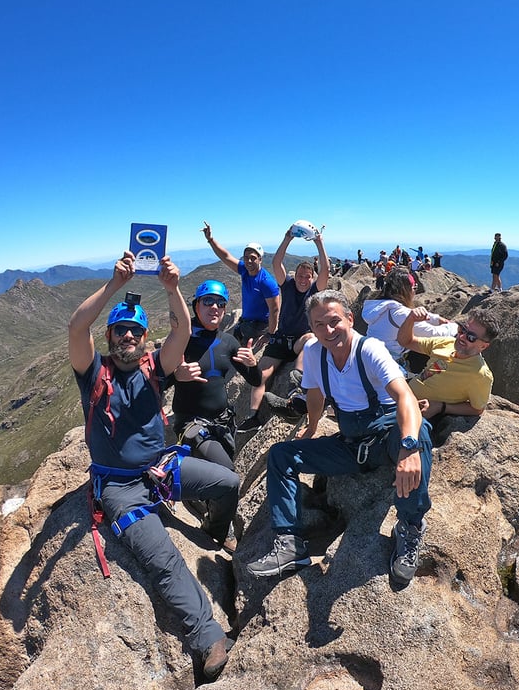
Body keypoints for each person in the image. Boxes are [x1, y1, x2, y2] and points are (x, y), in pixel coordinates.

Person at [69, 251, 237, 682]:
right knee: (161, 558)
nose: (128, 336)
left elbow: (182, 329)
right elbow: (76, 327)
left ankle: (215, 532)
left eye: (135, 331)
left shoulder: (155, 368)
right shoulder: (93, 372)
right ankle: (207, 638)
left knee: (227, 482)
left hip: (160, 469)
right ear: (110, 337)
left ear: (145, 337)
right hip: (121, 489)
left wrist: (172, 287)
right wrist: (112, 285)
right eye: (121, 331)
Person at [246, 290, 433, 585]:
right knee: (281, 455)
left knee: (417, 432)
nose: (328, 330)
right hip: (350, 445)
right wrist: (311, 426)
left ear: (350, 318)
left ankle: (409, 526)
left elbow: (405, 398)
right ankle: (289, 543)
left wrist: (408, 448)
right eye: (319, 324)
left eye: (334, 321)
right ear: (311, 328)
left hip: (385, 436)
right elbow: (317, 393)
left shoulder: (369, 350)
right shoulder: (314, 353)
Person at [170, 279, 262, 549]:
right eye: (207, 301)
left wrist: (253, 365)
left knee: (217, 472)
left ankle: (202, 501)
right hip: (192, 425)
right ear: (195, 306)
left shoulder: (228, 342)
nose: (215, 307)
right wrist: (176, 375)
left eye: (220, 303)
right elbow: (158, 381)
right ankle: (217, 529)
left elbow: (255, 380)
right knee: (228, 476)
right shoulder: (181, 343)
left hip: (223, 424)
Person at [239, 227, 330, 431]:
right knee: (260, 375)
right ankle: (253, 416)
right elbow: (276, 263)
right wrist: (287, 238)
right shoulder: (287, 285)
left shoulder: (315, 290)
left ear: (312, 278)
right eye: (300, 275)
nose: (303, 279)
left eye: (307, 276)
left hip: (299, 340)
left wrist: (319, 243)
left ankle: (296, 381)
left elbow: (326, 270)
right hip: (281, 340)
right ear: (294, 275)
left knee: (310, 340)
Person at [397, 308, 499, 421]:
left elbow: (477, 409)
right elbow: (406, 341)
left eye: (471, 337)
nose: (461, 337)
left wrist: (441, 407)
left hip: (417, 414)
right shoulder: (446, 343)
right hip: (402, 395)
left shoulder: (480, 375)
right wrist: (410, 319)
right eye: (462, 329)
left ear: (483, 346)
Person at [362, 266, 456, 375]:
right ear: (405, 291)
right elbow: (434, 334)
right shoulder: (400, 314)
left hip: (371, 359)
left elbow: (422, 316)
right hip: (385, 365)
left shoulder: (381, 306)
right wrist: (455, 327)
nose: (414, 292)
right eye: (414, 288)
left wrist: (437, 319)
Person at [201, 222, 281, 346]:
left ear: (260, 259)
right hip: (246, 321)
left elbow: (274, 310)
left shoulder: (266, 282)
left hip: (258, 325)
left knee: (232, 350)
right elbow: (226, 256)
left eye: (253, 258)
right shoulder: (245, 270)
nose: (249, 261)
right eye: (246, 257)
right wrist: (211, 240)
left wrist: (270, 334)